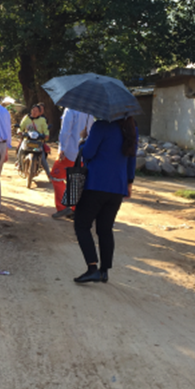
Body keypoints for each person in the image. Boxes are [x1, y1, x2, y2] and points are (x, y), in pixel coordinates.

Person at [73, 116, 138, 285]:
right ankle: (104, 271)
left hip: (95, 184)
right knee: (105, 229)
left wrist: (82, 140)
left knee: (81, 225)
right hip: (117, 187)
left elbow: (87, 153)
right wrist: (129, 183)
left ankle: (92, 268)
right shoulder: (131, 130)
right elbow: (132, 159)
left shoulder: (101, 126)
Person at [51, 109, 94, 220]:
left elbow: (65, 131)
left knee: (56, 176)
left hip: (69, 151)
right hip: (83, 152)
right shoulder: (90, 112)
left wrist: (62, 149)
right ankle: (75, 208)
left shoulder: (70, 110)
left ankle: (63, 207)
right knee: (76, 180)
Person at [17, 104, 49, 174]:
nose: (34, 112)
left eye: (36, 111)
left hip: (38, 141)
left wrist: (46, 135)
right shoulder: (26, 118)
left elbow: (45, 130)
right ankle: (20, 165)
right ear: (31, 110)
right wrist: (19, 131)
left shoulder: (42, 120)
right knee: (20, 151)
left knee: (43, 158)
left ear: (39, 112)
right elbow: (21, 127)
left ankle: (49, 174)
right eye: (33, 110)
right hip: (27, 140)